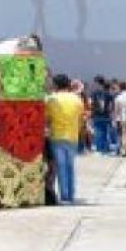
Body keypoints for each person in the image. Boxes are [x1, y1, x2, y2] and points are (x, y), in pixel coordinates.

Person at [45, 73, 83, 204]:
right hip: (73, 136)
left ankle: (65, 195)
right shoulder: (77, 99)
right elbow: (80, 117)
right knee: (70, 166)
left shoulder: (51, 99)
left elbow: (47, 119)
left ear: (55, 85)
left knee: (60, 166)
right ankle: (71, 194)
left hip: (57, 135)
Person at [89, 75, 114, 155]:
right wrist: (110, 112)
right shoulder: (108, 93)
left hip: (97, 115)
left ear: (97, 82)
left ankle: (99, 148)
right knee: (105, 132)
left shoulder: (94, 93)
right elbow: (112, 105)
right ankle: (105, 148)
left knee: (98, 132)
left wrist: (91, 112)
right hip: (106, 116)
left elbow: (90, 104)